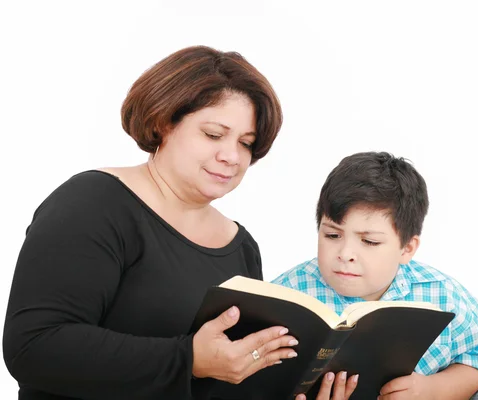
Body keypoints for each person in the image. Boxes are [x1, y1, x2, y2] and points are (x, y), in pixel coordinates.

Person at [2, 45, 355, 400]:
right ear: (163, 121)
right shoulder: (93, 203)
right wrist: (188, 359)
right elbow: (33, 346)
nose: (231, 156)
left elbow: (231, 381)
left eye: (246, 143)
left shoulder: (241, 245)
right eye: (214, 134)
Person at [273, 151, 478, 400]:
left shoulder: (442, 295)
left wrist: (431, 388)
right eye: (332, 234)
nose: (345, 252)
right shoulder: (288, 291)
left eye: (370, 241)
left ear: (407, 248)